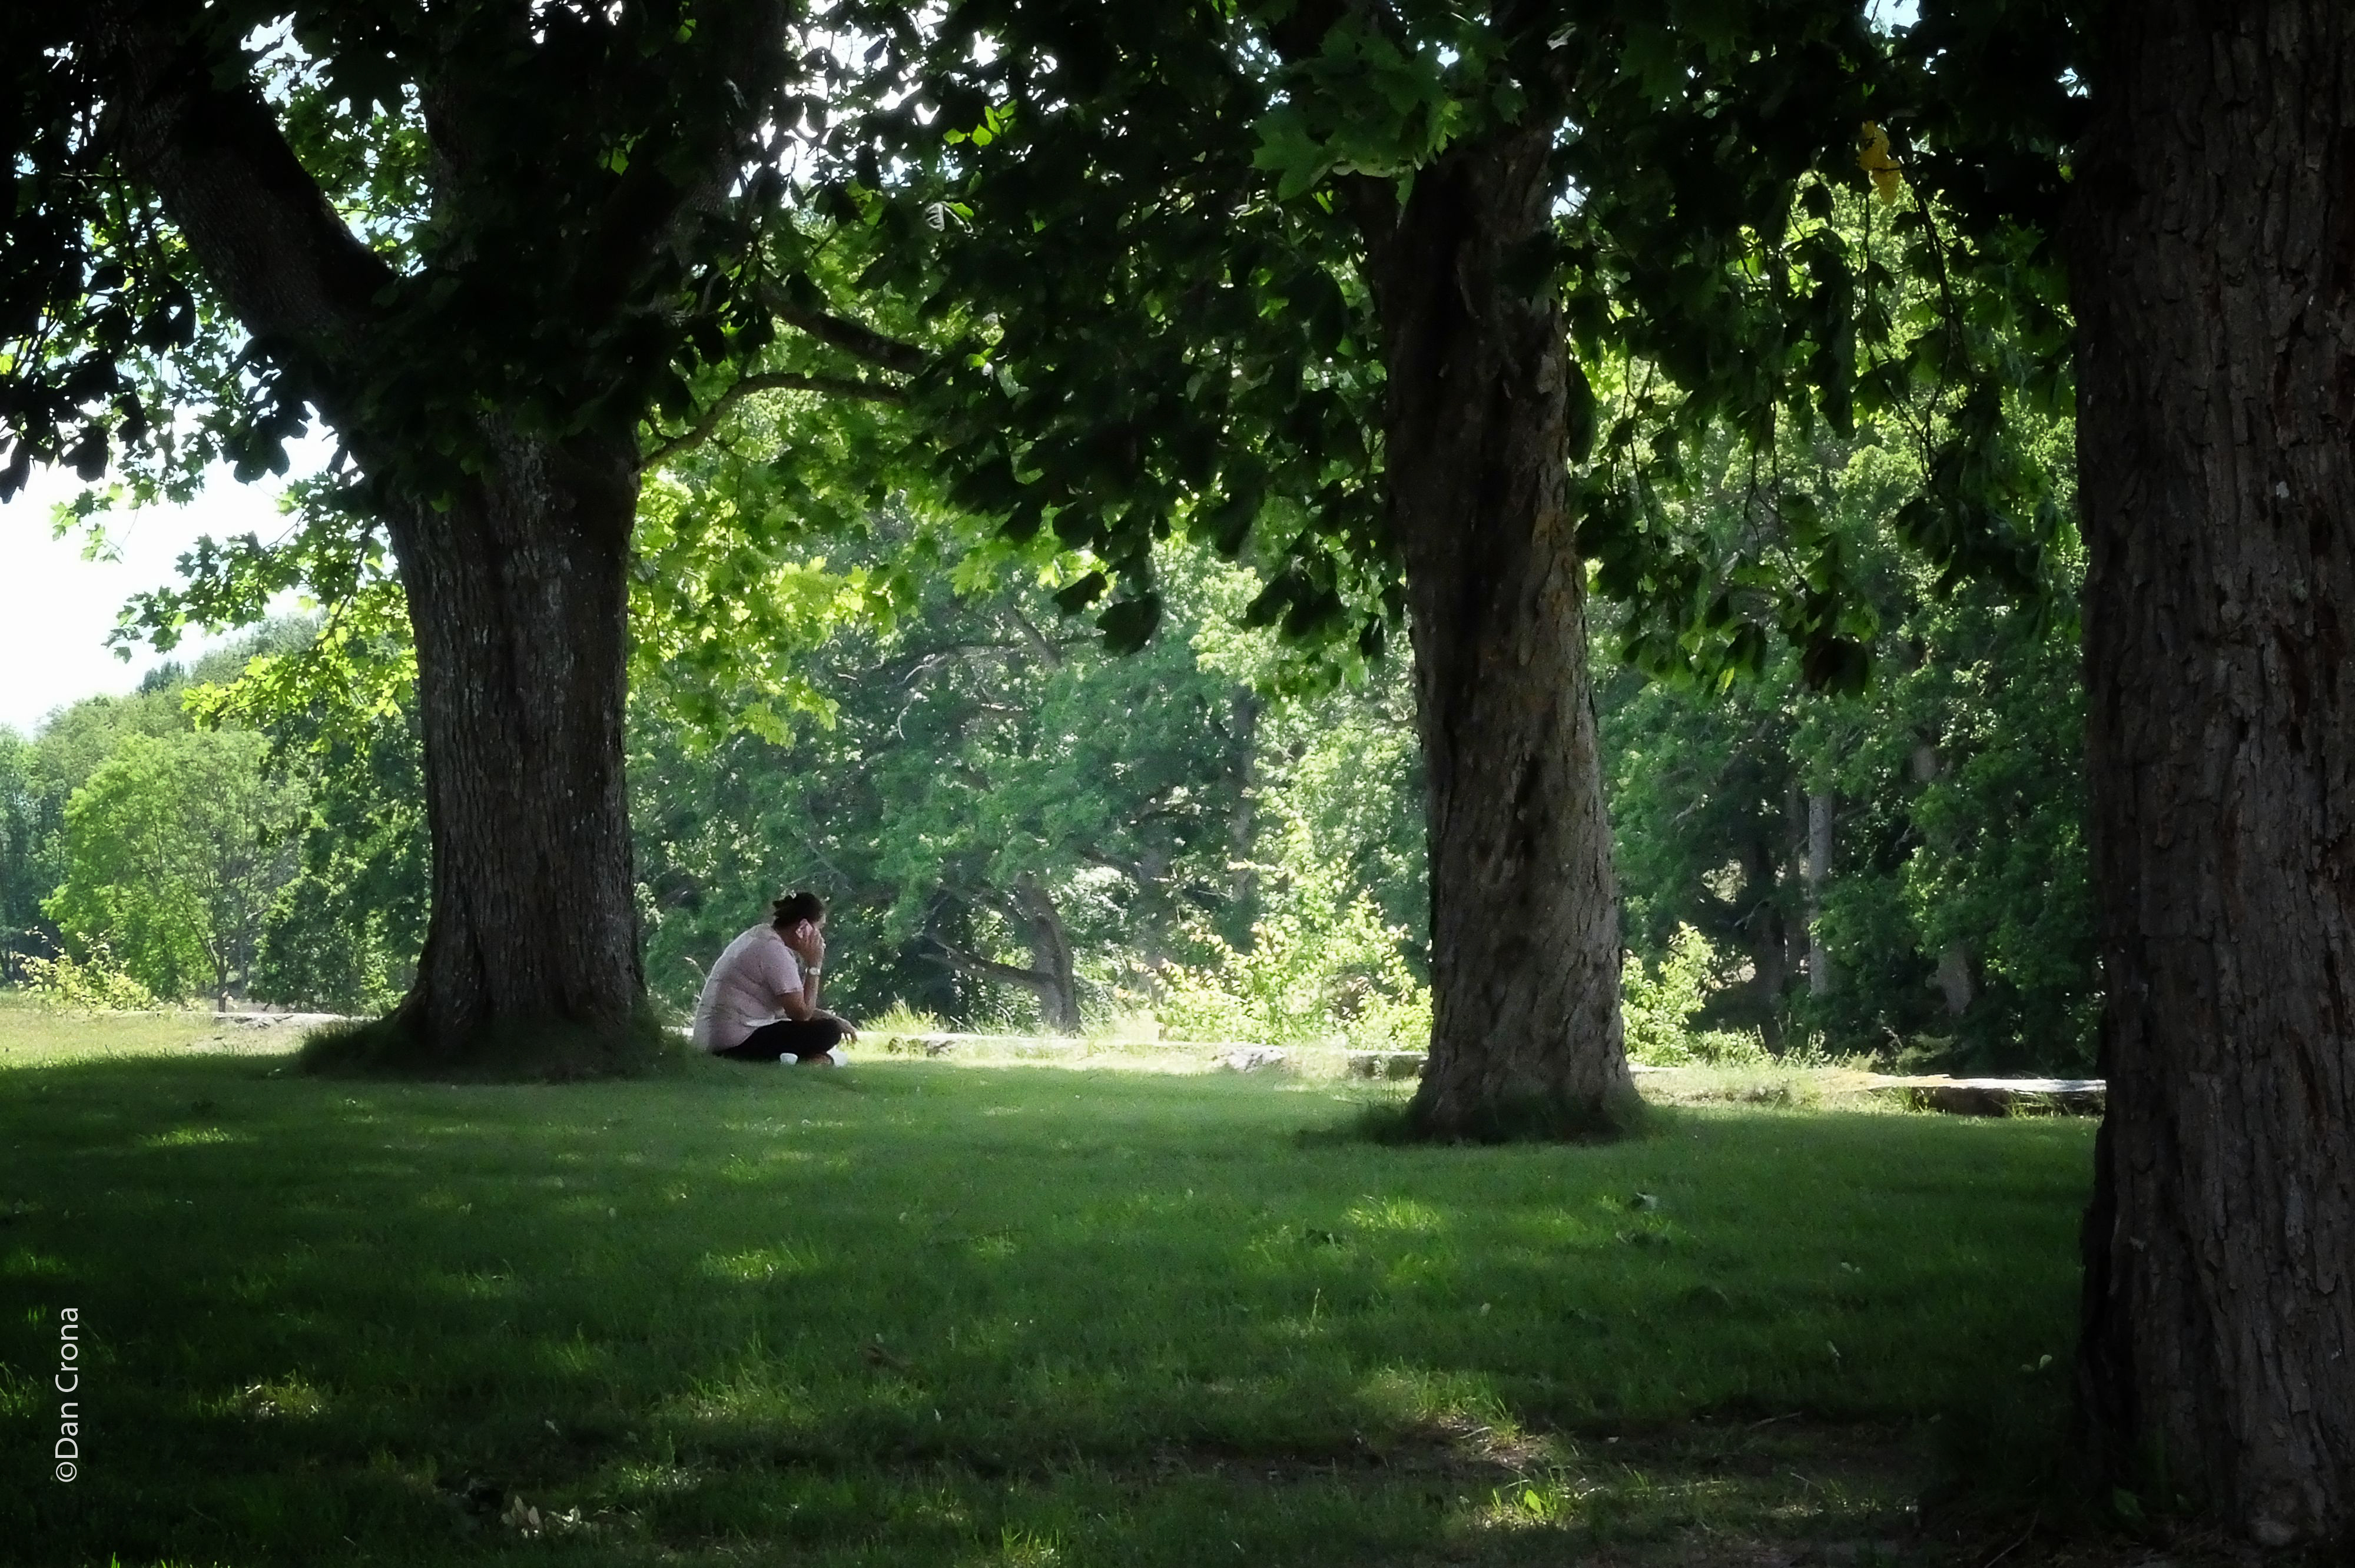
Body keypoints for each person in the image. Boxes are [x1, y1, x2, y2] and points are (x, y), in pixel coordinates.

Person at [690, 891, 858, 1065]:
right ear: (803, 928)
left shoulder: (760, 937)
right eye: (818, 929)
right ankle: (809, 1059)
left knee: (827, 1025)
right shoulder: (774, 950)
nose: (820, 938)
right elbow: (801, 1014)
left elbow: (789, 1006)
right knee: (829, 1031)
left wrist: (833, 1018)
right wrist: (814, 965)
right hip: (734, 1043)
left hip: (717, 1039)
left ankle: (805, 1058)